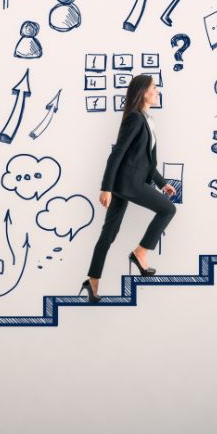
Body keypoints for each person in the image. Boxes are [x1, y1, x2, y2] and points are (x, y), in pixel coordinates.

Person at [80, 74, 177, 303]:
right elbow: (117, 154)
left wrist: (162, 183)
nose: (157, 91)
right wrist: (106, 188)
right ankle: (140, 253)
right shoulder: (134, 119)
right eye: (154, 87)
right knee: (168, 210)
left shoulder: (146, 120)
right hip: (128, 184)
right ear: (143, 92)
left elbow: (147, 162)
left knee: (108, 234)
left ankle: (92, 281)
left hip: (127, 184)